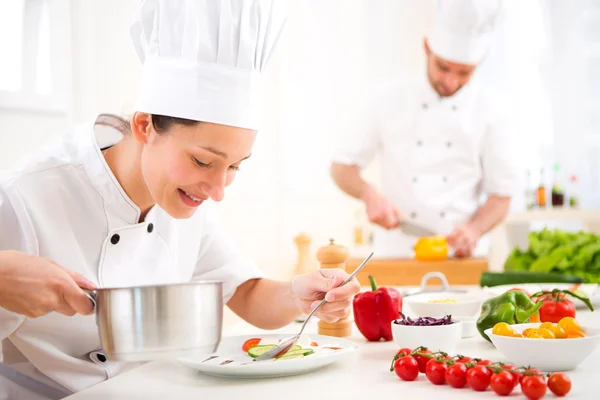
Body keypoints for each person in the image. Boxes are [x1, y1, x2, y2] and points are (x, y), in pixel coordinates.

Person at [0, 1, 360, 398]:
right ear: (144, 125)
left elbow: (247, 294)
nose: (218, 190)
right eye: (203, 161)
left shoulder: (184, 200)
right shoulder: (27, 196)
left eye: (235, 167)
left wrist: (298, 293)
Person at [330, 0, 519, 259]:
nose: (451, 82)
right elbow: (341, 167)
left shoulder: (493, 111)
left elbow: (501, 196)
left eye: (464, 73)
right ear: (426, 47)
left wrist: (474, 229)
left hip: (460, 258)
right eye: (443, 67)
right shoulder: (386, 98)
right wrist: (367, 193)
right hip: (397, 254)